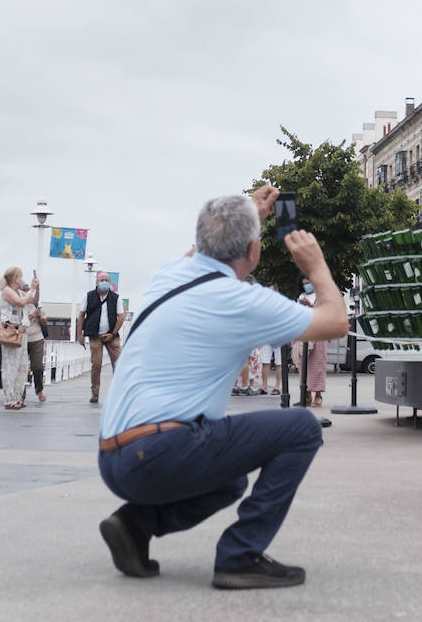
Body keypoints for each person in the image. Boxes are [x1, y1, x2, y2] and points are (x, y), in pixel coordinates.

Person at [96, 185, 347, 589]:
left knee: (229, 480)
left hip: (113, 458)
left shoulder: (168, 275)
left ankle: (134, 525)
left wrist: (246, 216)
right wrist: (316, 267)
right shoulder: (241, 300)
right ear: (254, 251)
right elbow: (335, 321)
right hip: (157, 454)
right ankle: (240, 556)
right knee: (302, 427)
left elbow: (200, 251)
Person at [0, 268, 40, 410]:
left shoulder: (19, 292)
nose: (21, 279)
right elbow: (20, 302)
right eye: (20, 277)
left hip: (21, 330)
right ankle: (9, 399)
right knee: (10, 365)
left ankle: (17, 397)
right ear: (14, 278)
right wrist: (31, 288)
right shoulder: (7, 291)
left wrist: (36, 289)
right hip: (10, 330)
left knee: (22, 365)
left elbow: (33, 299)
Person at [82, 271, 124, 404]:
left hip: (112, 335)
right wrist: (79, 335)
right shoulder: (88, 296)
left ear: (110, 283)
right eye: (102, 280)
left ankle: (119, 391)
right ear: (96, 282)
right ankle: (95, 392)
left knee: (119, 363)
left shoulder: (116, 298)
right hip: (95, 335)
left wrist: (112, 333)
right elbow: (81, 315)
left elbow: (121, 317)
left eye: (107, 280)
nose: (104, 282)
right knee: (96, 364)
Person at [293, 277, 327, 407]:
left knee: (318, 366)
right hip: (305, 333)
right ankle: (306, 396)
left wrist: (311, 306)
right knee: (303, 366)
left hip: (318, 334)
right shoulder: (301, 296)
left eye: (308, 283)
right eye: (304, 284)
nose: (306, 286)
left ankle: (318, 395)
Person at [23, 302, 49, 403]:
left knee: (37, 367)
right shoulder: (18, 305)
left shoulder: (37, 307)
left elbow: (44, 321)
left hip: (37, 339)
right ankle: (21, 394)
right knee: (21, 368)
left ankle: (39, 390)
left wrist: (39, 315)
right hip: (21, 339)